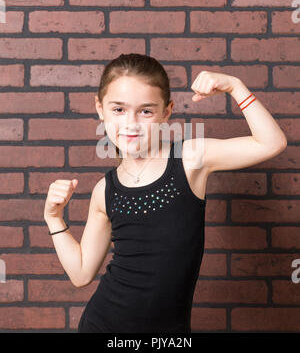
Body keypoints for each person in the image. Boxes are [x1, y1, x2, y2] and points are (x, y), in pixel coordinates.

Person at [44, 53, 287, 333]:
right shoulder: (105, 190)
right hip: (103, 325)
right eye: (118, 109)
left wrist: (235, 87)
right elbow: (81, 273)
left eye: (146, 111)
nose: (131, 123)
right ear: (100, 109)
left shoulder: (189, 159)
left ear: (166, 112)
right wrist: (54, 218)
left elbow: (271, 143)